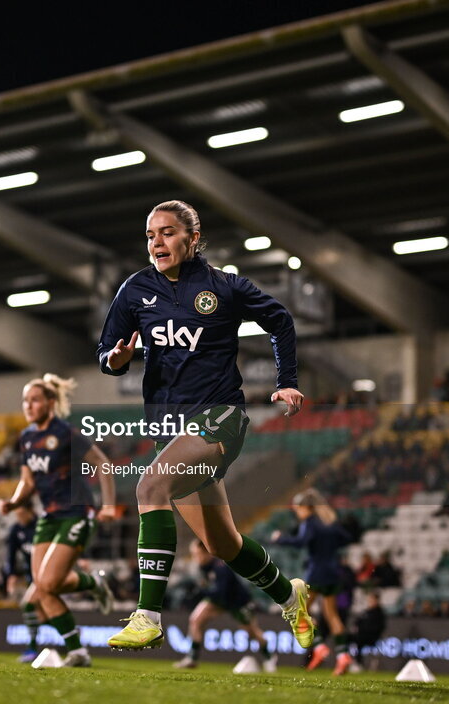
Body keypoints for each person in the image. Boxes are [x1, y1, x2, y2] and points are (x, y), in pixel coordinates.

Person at [97, 200, 313, 652]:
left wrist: (286, 382)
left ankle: (148, 616)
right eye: (151, 234)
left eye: (168, 232)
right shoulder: (135, 291)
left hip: (220, 417)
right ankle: (289, 595)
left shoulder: (226, 287)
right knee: (222, 544)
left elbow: (281, 322)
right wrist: (115, 360)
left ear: (193, 239)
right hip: (170, 430)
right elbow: (107, 354)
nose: (157, 241)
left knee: (149, 487)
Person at [0, 374, 117, 668]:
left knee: (47, 583)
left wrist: (110, 505)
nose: (28, 405)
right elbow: (28, 481)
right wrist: (14, 501)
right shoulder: (26, 437)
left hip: (77, 513)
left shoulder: (65, 432)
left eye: (35, 399)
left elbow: (103, 464)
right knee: (43, 587)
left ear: (51, 403)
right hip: (49, 517)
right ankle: (78, 652)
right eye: (25, 400)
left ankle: (91, 588)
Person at [272, 489, 353, 675]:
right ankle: (343, 656)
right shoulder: (329, 521)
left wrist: (280, 539)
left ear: (305, 507)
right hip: (334, 571)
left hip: (316, 571)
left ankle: (319, 646)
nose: (297, 512)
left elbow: (301, 542)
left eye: (298, 508)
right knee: (332, 615)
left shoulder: (310, 522)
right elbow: (346, 538)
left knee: (298, 610)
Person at [174, 540, 277, 672]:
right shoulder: (203, 567)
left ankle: (269, 657)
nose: (195, 558)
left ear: (206, 553)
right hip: (219, 601)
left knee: (252, 632)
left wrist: (200, 591)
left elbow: (220, 592)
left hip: (237, 602)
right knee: (195, 620)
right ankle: (192, 658)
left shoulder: (220, 567)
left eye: (197, 554)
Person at [3, 500, 41, 662]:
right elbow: (10, 556)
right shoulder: (16, 530)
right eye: (17, 515)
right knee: (43, 613)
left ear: (30, 510)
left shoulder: (43, 526)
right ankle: (72, 633)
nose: (19, 518)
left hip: (47, 574)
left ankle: (32, 649)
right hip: (31, 576)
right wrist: (11, 575)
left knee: (28, 605)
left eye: (21, 514)